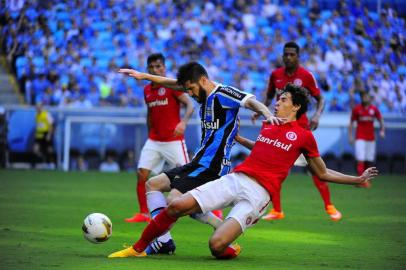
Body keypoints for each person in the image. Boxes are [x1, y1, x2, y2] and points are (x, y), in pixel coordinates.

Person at [107, 84, 378, 259]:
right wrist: (239, 139)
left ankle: (233, 236)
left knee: (216, 246)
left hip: (258, 195)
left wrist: (357, 179)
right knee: (176, 204)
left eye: (282, 99)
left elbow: (322, 173)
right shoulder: (269, 125)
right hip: (236, 178)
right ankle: (138, 248)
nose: (276, 103)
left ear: (295, 106)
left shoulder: (304, 136)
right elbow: (263, 147)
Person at [117, 61, 281, 255]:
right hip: (198, 162)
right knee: (152, 184)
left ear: (203, 80)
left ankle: (160, 242)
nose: (191, 94)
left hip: (213, 165)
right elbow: (173, 84)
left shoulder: (223, 93)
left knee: (175, 200)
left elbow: (251, 101)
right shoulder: (200, 92)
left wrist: (267, 113)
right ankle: (176, 237)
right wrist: (145, 76)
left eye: (192, 89)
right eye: (188, 90)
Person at [254, 41, 342, 221]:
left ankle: (329, 206)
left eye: (291, 54)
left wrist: (317, 115)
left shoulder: (306, 76)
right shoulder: (275, 75)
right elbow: (270, 96)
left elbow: (320, 99)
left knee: (316, 170)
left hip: (300, 131)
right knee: (274, 170)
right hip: (279, 128)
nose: (288, 57)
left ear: (298, 56)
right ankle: (277, 210)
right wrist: (260, 110)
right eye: (285, 54)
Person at [124, 53, 195, 223]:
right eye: (152, 67)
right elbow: (150, 113)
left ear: (164, 68)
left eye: (158, 66)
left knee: (190, 175)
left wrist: (183, 122)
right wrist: (150, 133)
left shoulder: (172, 86)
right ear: (147, 69)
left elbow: (190, 104)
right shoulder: (147, 90)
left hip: (174, 141)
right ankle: (143, 213)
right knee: (142, 174)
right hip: (154, 140)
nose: (155, 69)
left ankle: (212, 209)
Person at [349, 92, 385, 188]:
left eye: (366, 96)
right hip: (360, 137)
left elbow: (380, 119)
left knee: (369, 160)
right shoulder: (357, 109)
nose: (364, 98)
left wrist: (382, 131)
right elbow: (351, 123)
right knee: (360, 158)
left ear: (369, 98)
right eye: (362, 96)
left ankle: (364, 181)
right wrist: (350, 136)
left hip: (371, 138)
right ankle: (362, 182)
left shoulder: (374, 109)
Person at [32, 103, 55, 169]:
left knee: (49, 149)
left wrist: (49, 134)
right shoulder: (36, 115)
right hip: (39, 134)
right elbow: (38, 125)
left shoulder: (46, 114)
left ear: (41, 107)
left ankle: (51, 164)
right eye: (36, 107)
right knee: (35, 149)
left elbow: (52, 124)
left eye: (39, 107)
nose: (37, 108)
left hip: (46, 133)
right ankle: (40, 162)